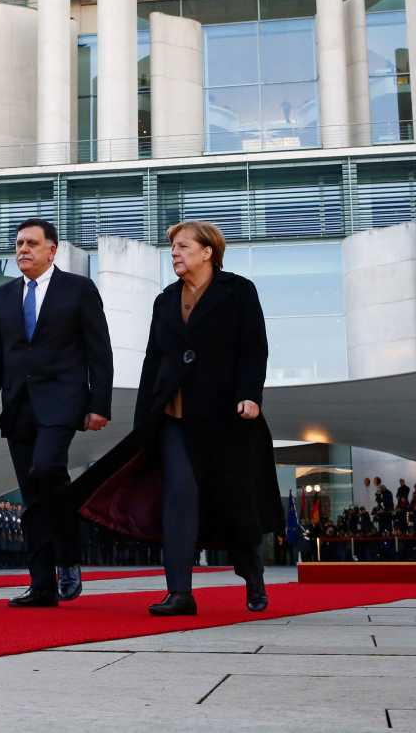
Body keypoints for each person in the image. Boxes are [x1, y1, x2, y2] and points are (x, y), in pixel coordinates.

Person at [75, 220, 282, 616]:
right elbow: (154, 360)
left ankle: (252, 574)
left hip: (225, 416)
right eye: (173, 248)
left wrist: (249, 396)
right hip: (172, 416)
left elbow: (254, 348)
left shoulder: (238, 291)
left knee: (236, 503)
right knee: (178, 498)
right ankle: (180, 592)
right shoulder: (165, 300)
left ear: (208, 251)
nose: (175, 253)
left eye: (183, 246)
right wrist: (143, 420)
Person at [0, 218, 114, 608]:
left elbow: (99, 350)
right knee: (33, 498)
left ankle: (67, 556)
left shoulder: (79, 290)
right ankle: (42, 586)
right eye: (18, 243)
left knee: (47, 468)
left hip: (62, 402)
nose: (23, 249)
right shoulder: (2, 297)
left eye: (32, 243)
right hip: (17, 406)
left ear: (52, 250)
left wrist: (99, 404)